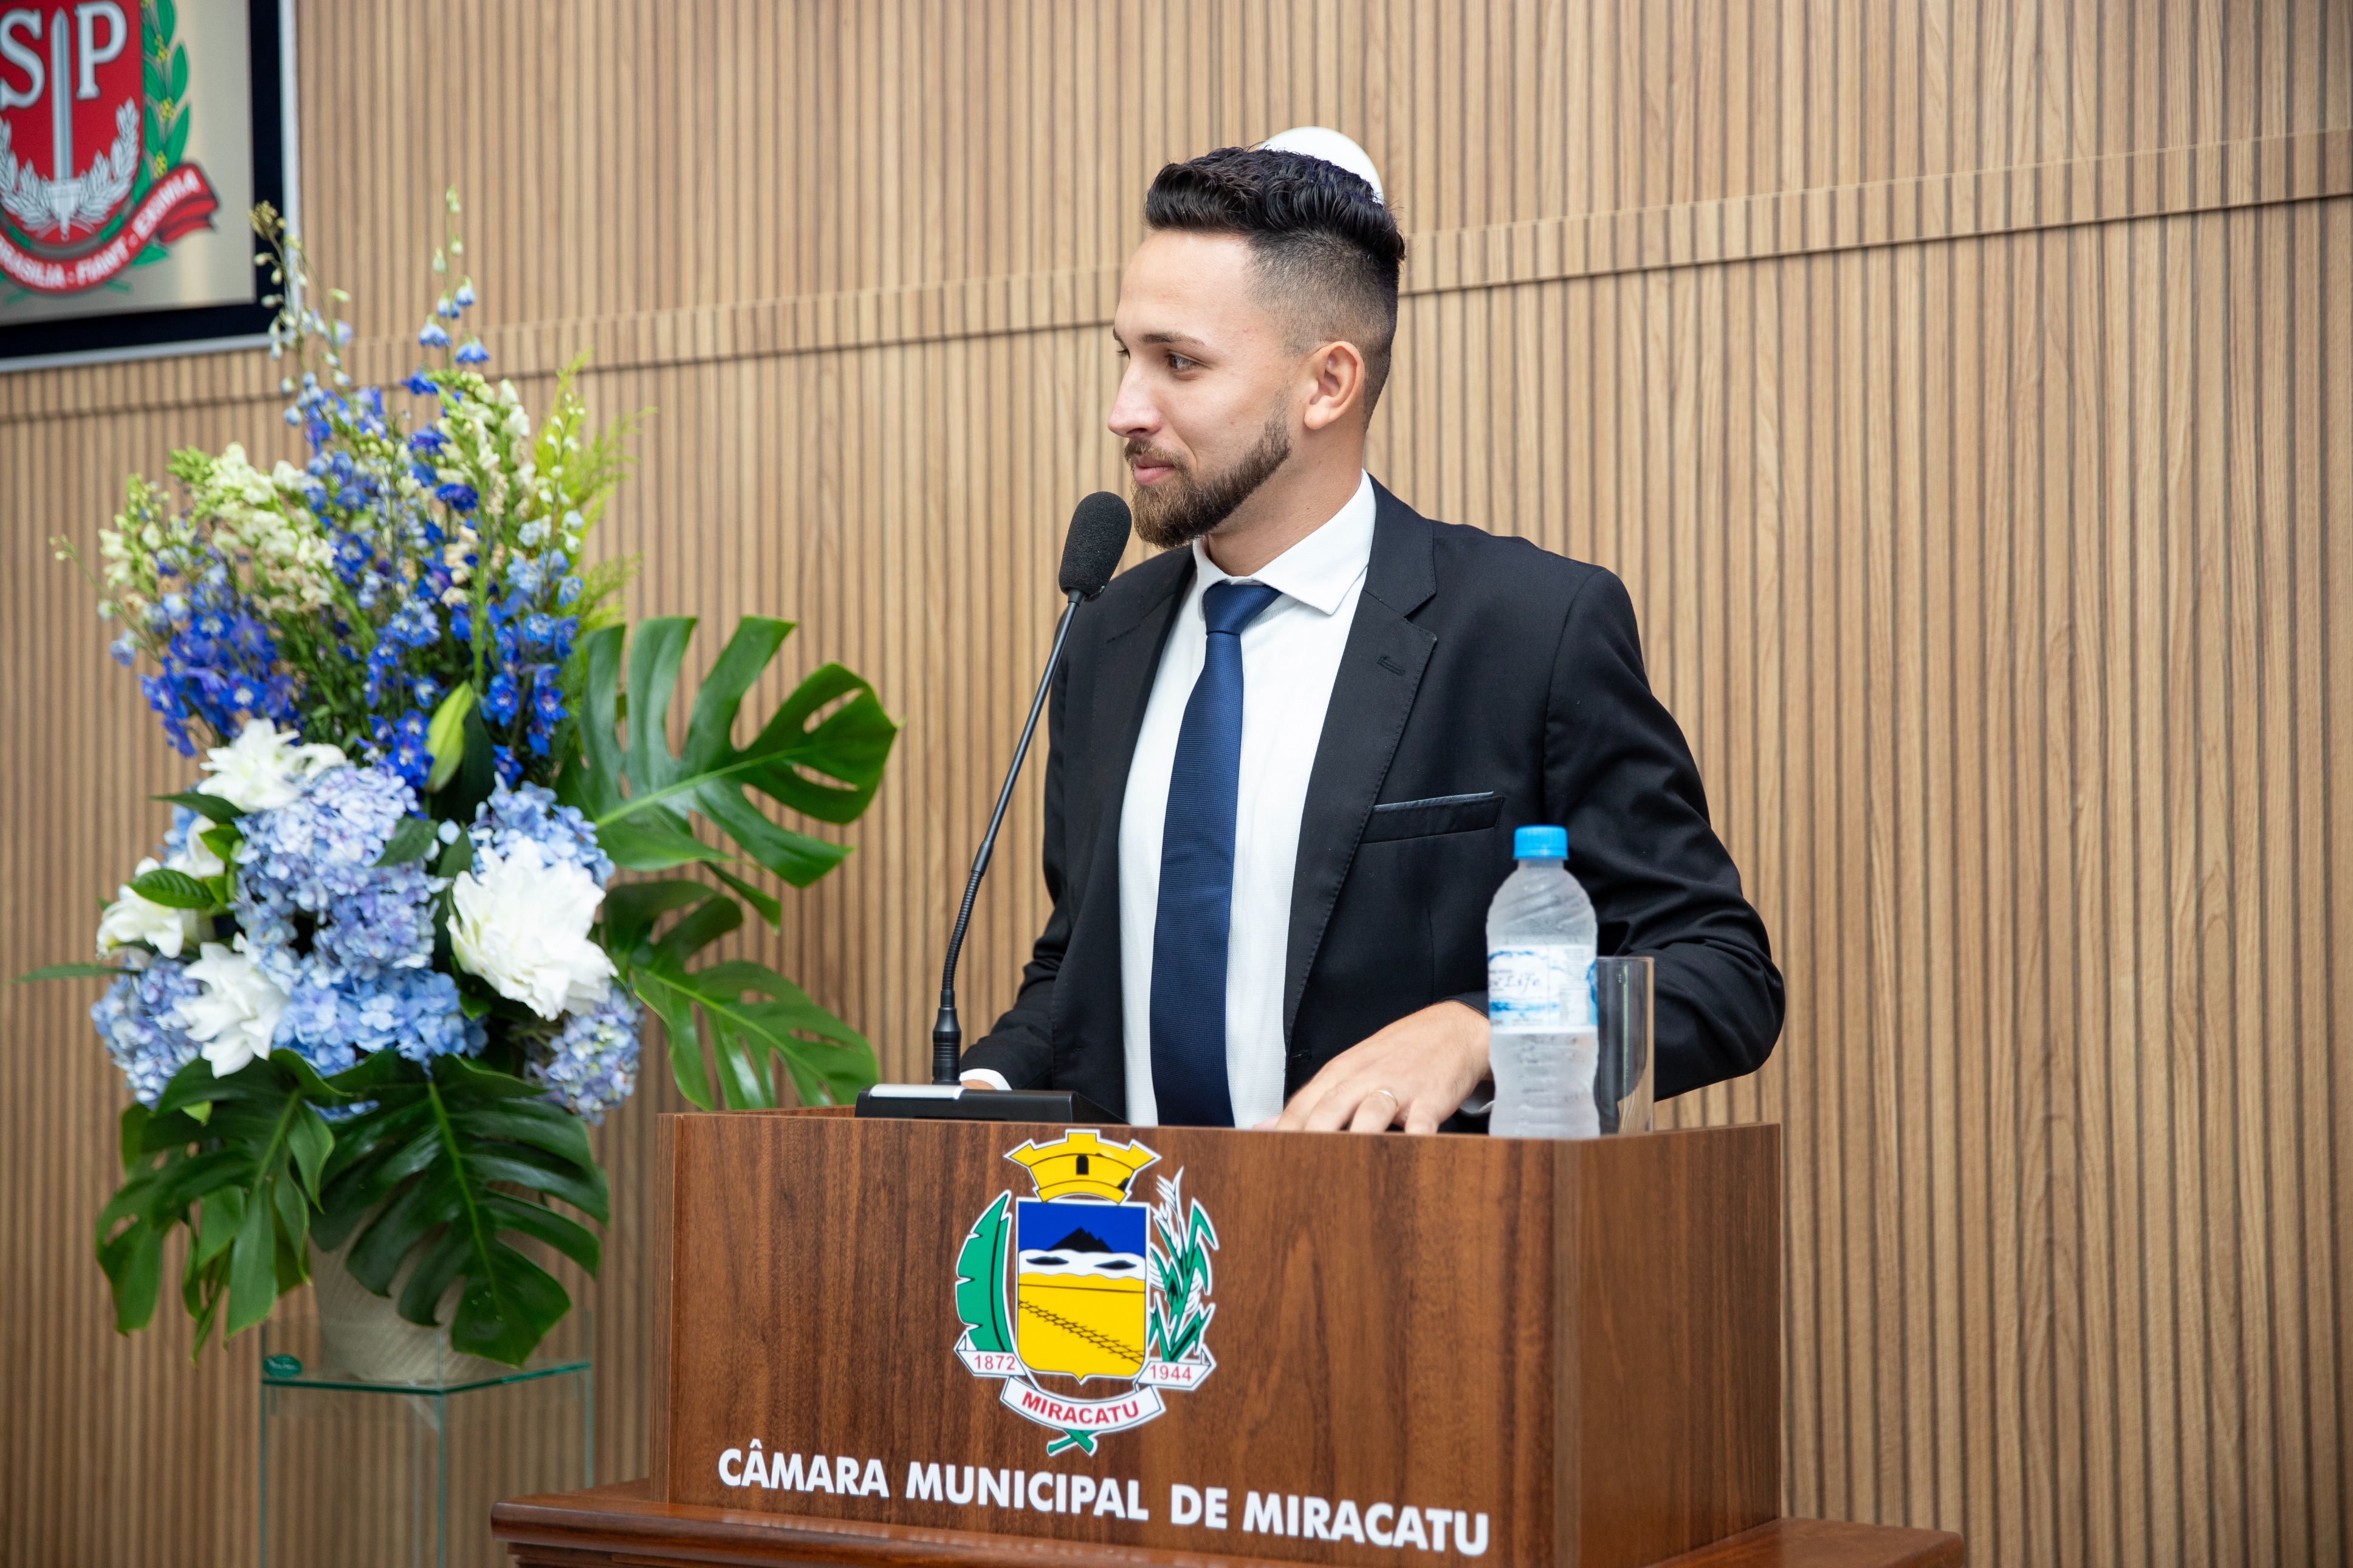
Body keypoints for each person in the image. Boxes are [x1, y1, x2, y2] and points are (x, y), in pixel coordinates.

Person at [957, 135, 1781, 1133]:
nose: (1125, 409)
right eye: (1126, 356)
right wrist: (979, 1092)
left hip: (1407, 1228)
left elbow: (1721, 972)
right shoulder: (1104, 636)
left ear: (1328, 384)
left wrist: (1482, 1032)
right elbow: (1083, 968)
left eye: (1178, 362)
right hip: (1138, 1230)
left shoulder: (1529, 630)